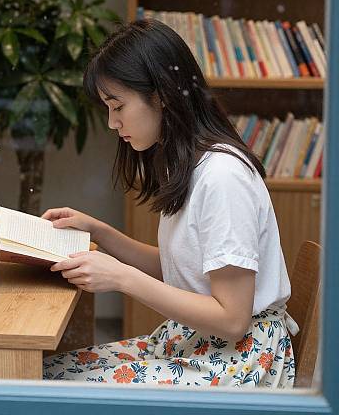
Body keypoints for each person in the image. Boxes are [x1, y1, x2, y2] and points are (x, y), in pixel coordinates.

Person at [41, 19, 297, 387]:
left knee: (53, 386)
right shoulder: (191, 164)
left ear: (160, 95)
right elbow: (183, 268)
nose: (113, 123)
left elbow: (232, 318)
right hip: (201, 345)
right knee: (48, 373)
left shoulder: (222, 177)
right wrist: (99, 231)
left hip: (237, 362)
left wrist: (121, 277)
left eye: (118, 106)